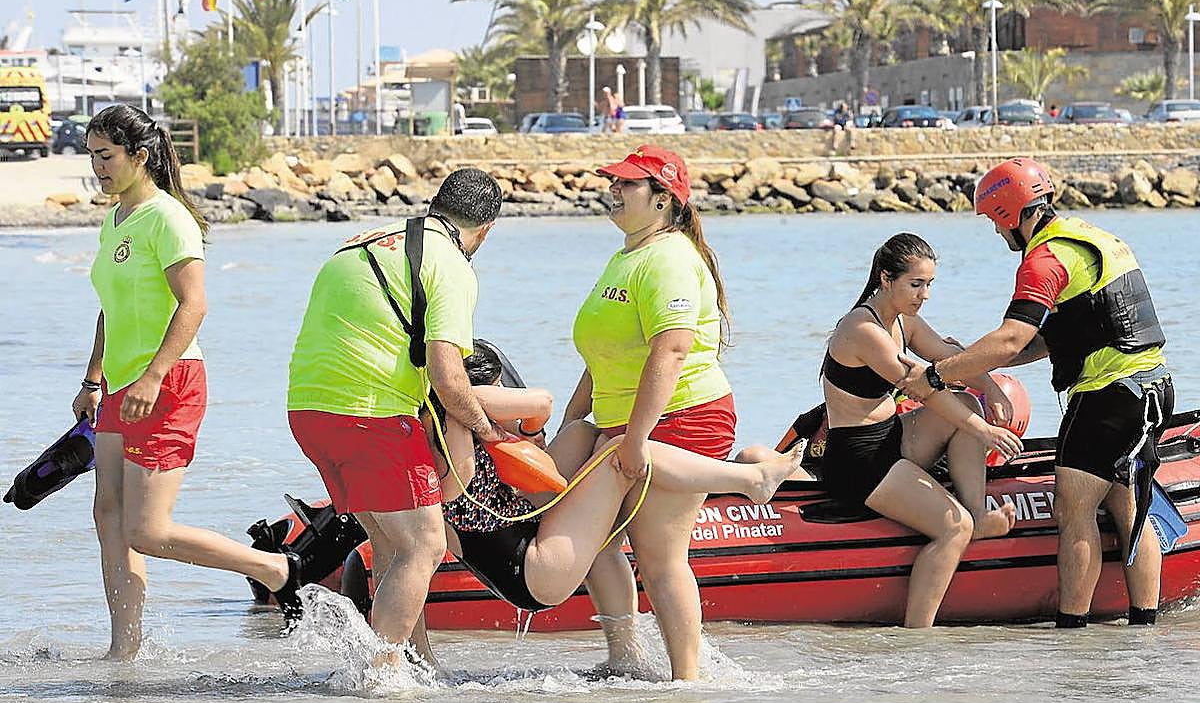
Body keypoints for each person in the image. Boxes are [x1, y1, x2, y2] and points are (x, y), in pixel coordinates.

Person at [897, 157, 1173, 629]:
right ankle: (1143, 628)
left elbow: (1011, 337)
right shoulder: (1092, 237)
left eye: (994, 219)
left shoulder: (1043, 260)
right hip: (1152, 387)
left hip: (1107, 396)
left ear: (1009, 212)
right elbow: (1052, 339)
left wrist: (938, 376)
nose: (996, 230)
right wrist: (976, 364)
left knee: (1075, 509)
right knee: (1129, 506)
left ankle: (1072, 631)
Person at [75, 104, 302, 660]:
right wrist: (93, 380)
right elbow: (111, 310)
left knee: (147, 530)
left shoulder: (168, 218)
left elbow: (194, 304)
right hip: (120, 387)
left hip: (168, 382)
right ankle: (123, 648)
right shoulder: (115, 220)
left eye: (106, 156)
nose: (97, 168)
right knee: (108, 515)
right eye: (92, 157)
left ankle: (274, 568)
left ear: (139, 156)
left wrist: (153, 375)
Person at [287, 168, 504, 665]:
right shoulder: (450, 263)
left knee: (391, 544)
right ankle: (379, 676)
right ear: (486, 229)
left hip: (308, 410)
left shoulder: (364, 240)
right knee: (425, 545)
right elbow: (448, 378)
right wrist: (485, 428)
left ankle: (414, 662)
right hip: (369, 414)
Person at [427, 342, 801, 621]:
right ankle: (751, 480)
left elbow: (541, 415)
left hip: (519, 535)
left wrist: (515, 434)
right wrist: (492, 419)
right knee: (624, 450)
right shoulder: (456, 432)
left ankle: (625, 652)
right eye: (499, 391)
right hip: (535, 571)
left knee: (581, 433)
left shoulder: (434, 425)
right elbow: (542, 402)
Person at [564, 145, 735, 680]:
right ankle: (626, 658)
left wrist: (637, 440)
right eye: (613, 181)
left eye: (627, 183)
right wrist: (574, 420)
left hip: (683, 416)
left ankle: (686, 682)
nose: (613, 190)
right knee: (593, 542)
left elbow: (672, 350)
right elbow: (602, 355)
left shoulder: (670, 258)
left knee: (660, 558)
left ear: (663, 199)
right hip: (622, 422)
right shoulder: (626, 256)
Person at [819, 233, 1022, 628]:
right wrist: (984, 431)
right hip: (857, 460)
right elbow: (924, 389)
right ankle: (916, 637)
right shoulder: (862, 329)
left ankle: (978, 512)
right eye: (916, 284)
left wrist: (991, 388)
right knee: (954, 528)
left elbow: (950, 359)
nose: (924, 294)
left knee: (967, 404)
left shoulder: (903, 319)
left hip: (891, 437)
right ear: (886, 279)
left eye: (929, 284)